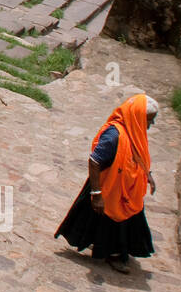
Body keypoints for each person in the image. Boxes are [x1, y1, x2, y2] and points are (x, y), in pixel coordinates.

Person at [55, 94, 159, 274]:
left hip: (125, 190)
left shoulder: (135, 132)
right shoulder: (114, 137)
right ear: (137, 118)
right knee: (112, 223)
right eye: (148, 120)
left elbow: (138, 155)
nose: (150, 125)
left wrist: (147, 174)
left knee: (122, 222)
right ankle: (114, 253)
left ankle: (113, 248)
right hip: (109, 189)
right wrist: (96, 194)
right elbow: (95, 161)